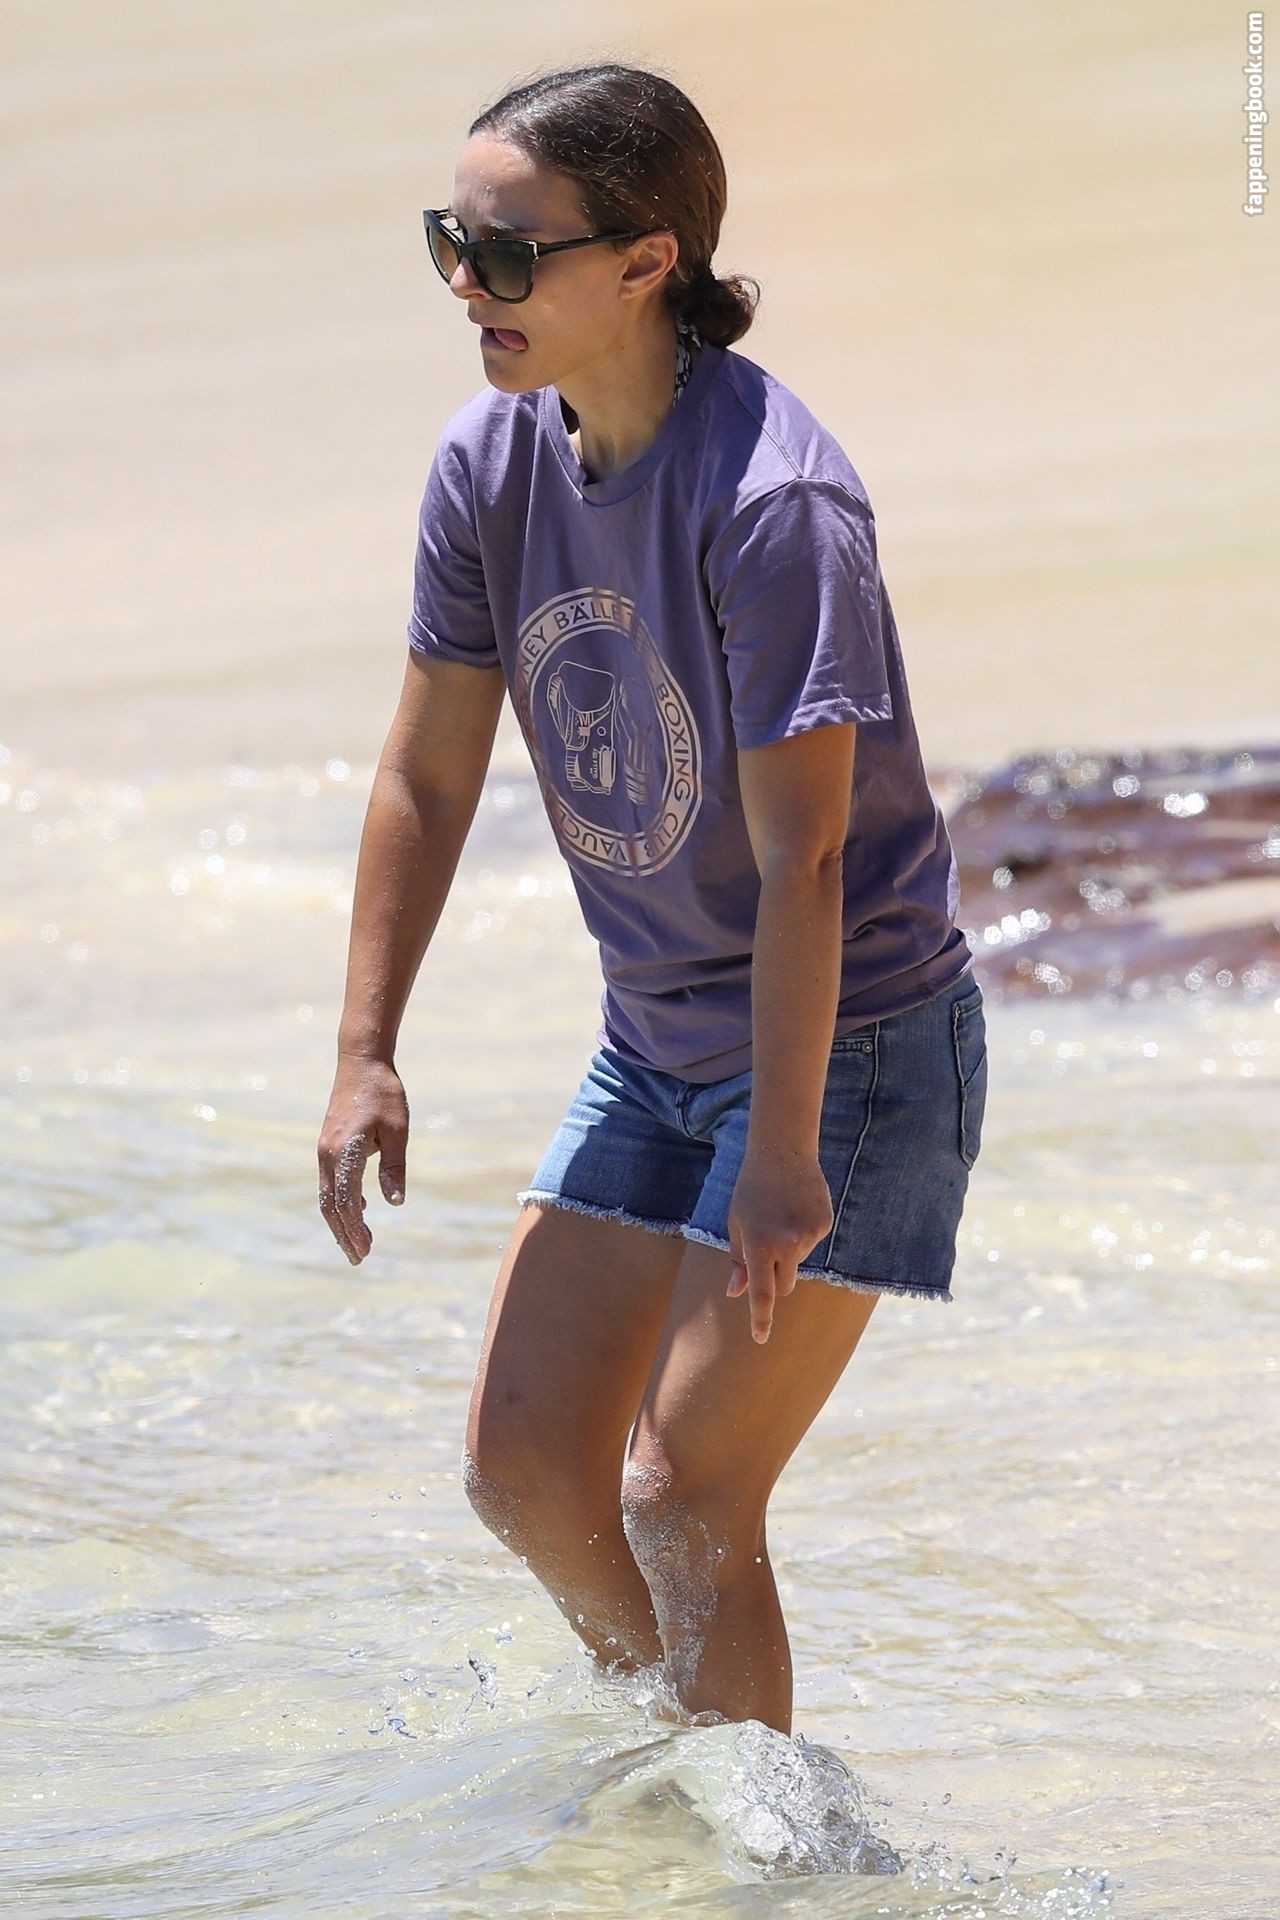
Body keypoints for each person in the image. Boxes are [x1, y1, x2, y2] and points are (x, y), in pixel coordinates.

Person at [318, 61, 988, 1738]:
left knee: (685, 1498)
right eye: (450, 244)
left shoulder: (774, 503)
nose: (467, 286)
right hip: (654, 1035)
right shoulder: (490, 465)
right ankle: (690, 1780)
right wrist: (365, 1049)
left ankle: (773, 1840)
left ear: (646, 261)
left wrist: (783, 1154)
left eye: (507, 254)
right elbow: (424, 779)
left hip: (848, 1044)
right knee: (525, 1472)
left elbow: (807, 859)